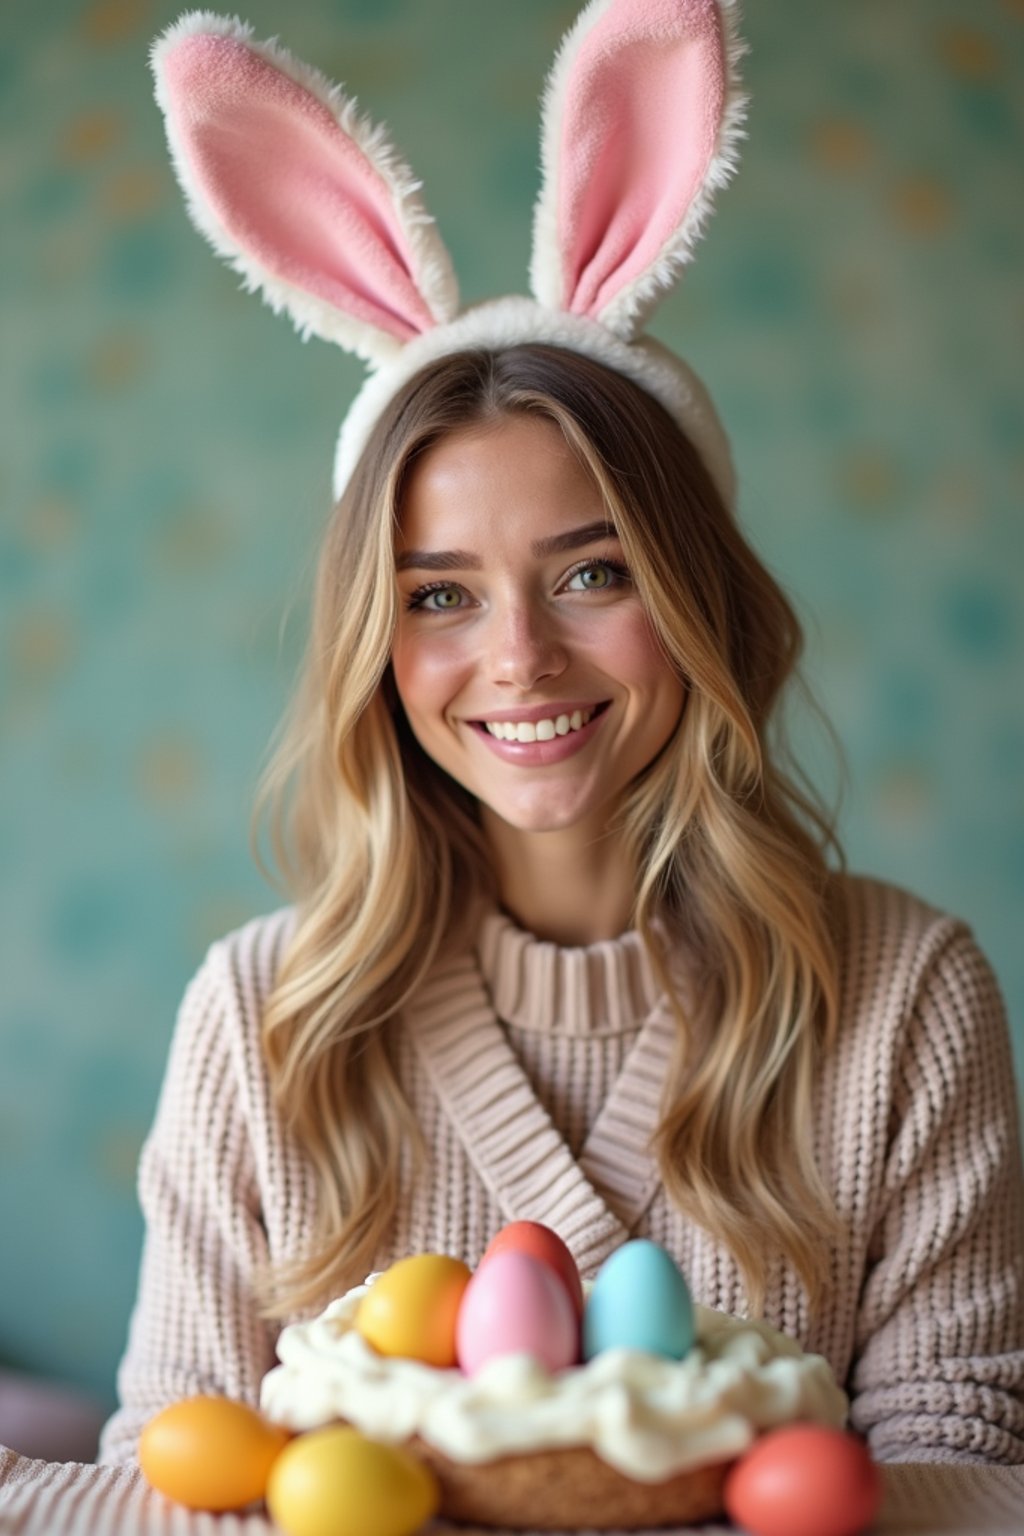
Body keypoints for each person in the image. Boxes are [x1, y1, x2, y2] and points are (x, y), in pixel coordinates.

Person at [2, 0, 1022, 1518]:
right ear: (376, 643)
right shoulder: (266, 1022)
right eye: (439, 596)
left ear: (701, 599)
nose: (521, 658)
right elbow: (186, 1482)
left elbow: (963, 1473)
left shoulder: (901, 999)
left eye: (594, 573)